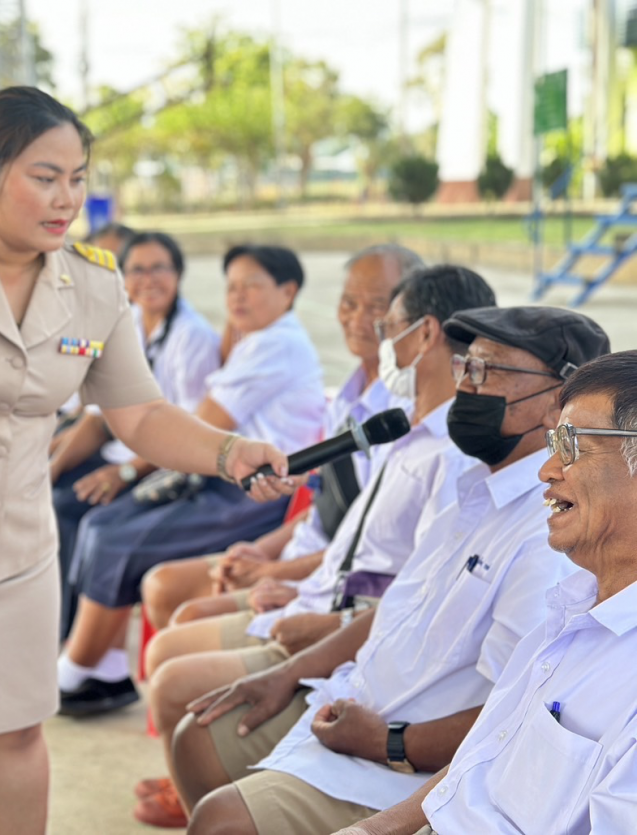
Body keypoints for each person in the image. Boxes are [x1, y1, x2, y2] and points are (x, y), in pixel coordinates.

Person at [0, 85, 295, 835]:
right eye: (45, 176)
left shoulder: (95, 284)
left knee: (14, 735)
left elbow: (138, 413)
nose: (66, 197)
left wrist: (229, 452)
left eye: (77, 178)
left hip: (17, 552)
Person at [176, 306, 610, 835]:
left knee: (221, 819)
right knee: (196, 735)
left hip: (405, 759)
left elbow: (503, 717)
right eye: (464, 369)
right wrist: (286, 673)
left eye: (488, 372)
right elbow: (398, 606)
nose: (466, 389)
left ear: (555, 404)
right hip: (354, 701)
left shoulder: (549, 535)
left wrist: (387, 742)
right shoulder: (474, 490)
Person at [132, 265, 496, 828]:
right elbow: (356, 549)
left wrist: (320, 629)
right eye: (349, 304)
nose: (369, 329)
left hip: (353, 637)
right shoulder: (400, 426)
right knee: (184, 667)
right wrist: (290, 579)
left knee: (186, 695)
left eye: (385, 320)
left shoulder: (454, 458)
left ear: (423, 334)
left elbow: (411, 597)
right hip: (331, 609)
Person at [333, 350, 637, 835]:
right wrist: (373, 829)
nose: (547, 469)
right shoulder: (570, 611)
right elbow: (478, 761)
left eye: (572, 444)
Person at [57, 244, 327, 717]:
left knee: (112, 533)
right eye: (231, 287)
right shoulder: (255, 338)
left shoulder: (275, 343)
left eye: (251, 286)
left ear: (290, 291)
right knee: (100, 523)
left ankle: (81, 666)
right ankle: (102, 665)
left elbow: (205, 419)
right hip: (222, 477)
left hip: (254, 495)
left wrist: (127, 470)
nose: (237, 297)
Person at [140, 245, 425, 634]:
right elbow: (326, 504)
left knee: (182, 616)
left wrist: (271, 570)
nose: (358, 318)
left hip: (332, 578)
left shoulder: (400, 417)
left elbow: (371, 542)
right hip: (301, 550)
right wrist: (263, 551)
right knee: (162, 586)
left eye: (377, 305)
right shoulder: (349, 396)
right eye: (348, 303)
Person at [50, 231, 220, 636]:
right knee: (51, 494)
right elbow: (98, 417)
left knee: (73, 509)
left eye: (160, 267)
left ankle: (76, 639)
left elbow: (188, 432)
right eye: (137, 270)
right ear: (123, 279)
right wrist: (51, 467)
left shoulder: (190, 337)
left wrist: (124, 474)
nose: (149, 279)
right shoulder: (131, 323)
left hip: (160, 467)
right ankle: (59, 629)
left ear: (178, 274)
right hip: (125, 454)